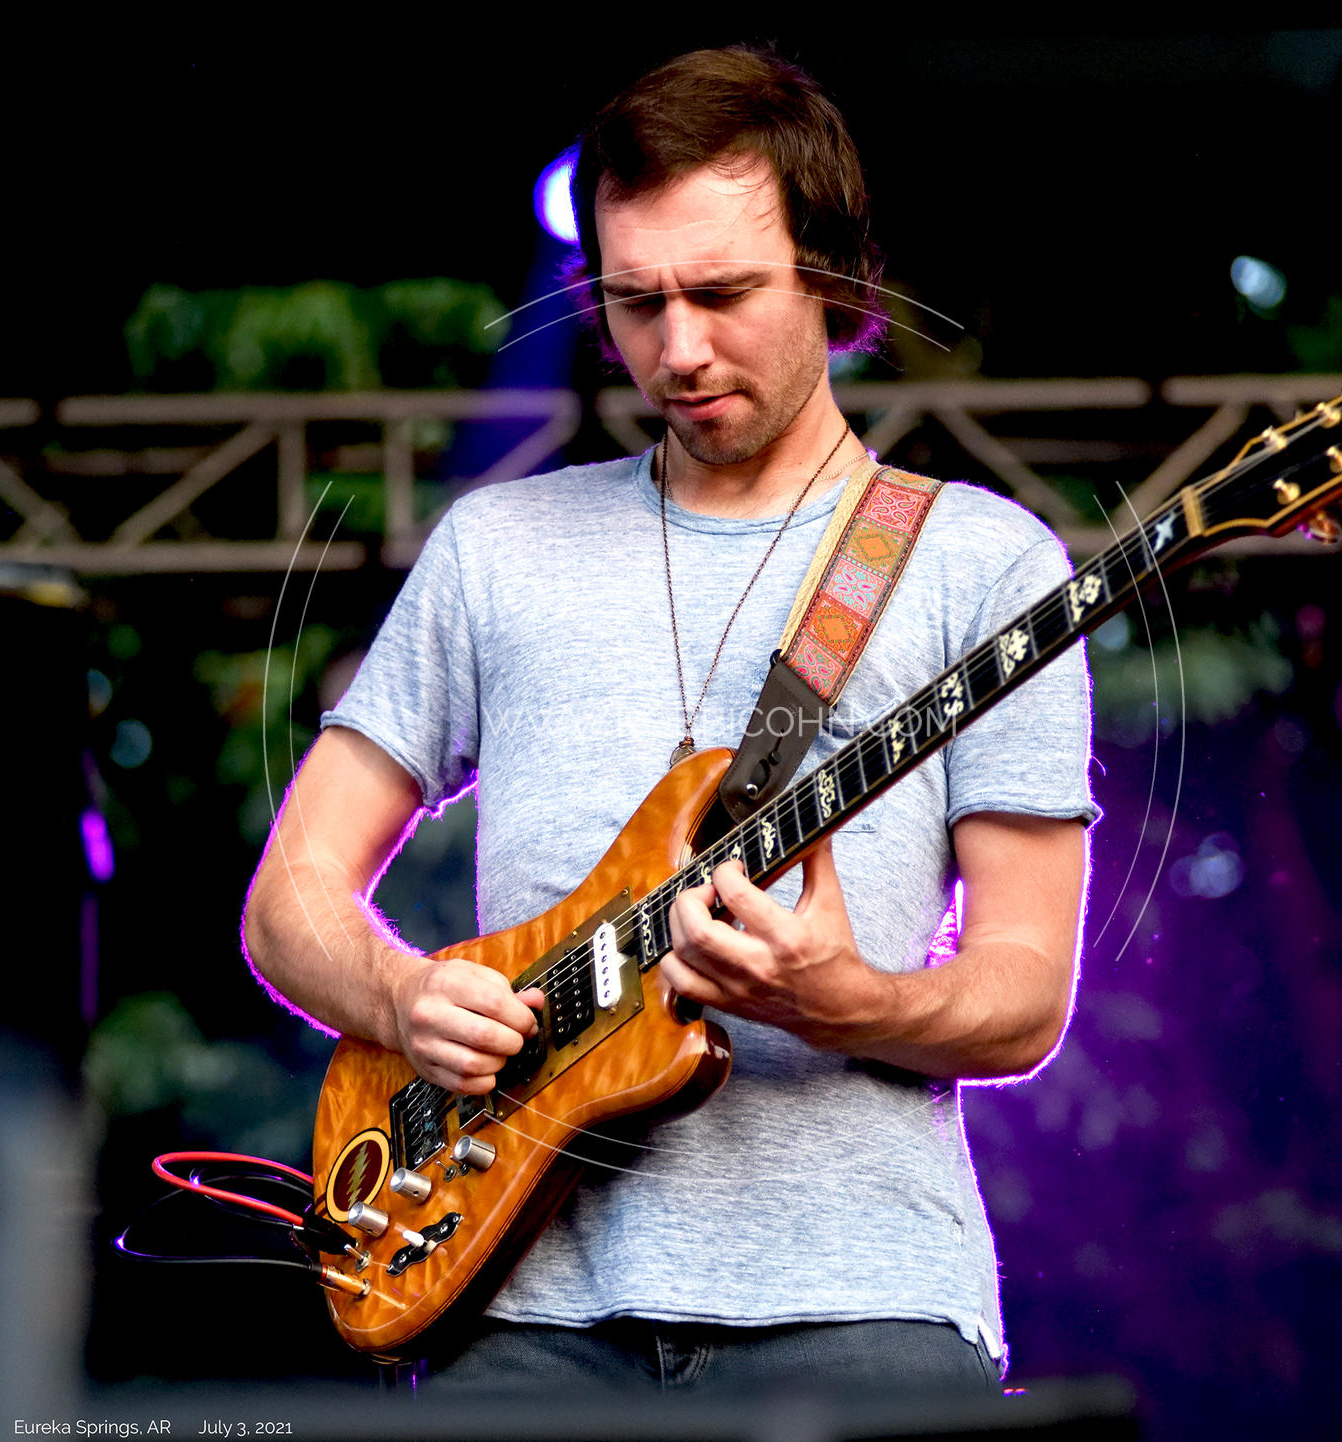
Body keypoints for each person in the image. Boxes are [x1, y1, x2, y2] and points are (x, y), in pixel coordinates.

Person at [242, 45, 1096, 1396]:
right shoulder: (497, 548)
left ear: (832, 274)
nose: (679, 350)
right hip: (515, 1312)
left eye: (724, 293)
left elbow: (1025, 994)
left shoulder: (981, 567)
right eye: (637, 302)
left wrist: (852, 1001)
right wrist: (403, 996)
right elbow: (288, 898)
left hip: (862, 1299)